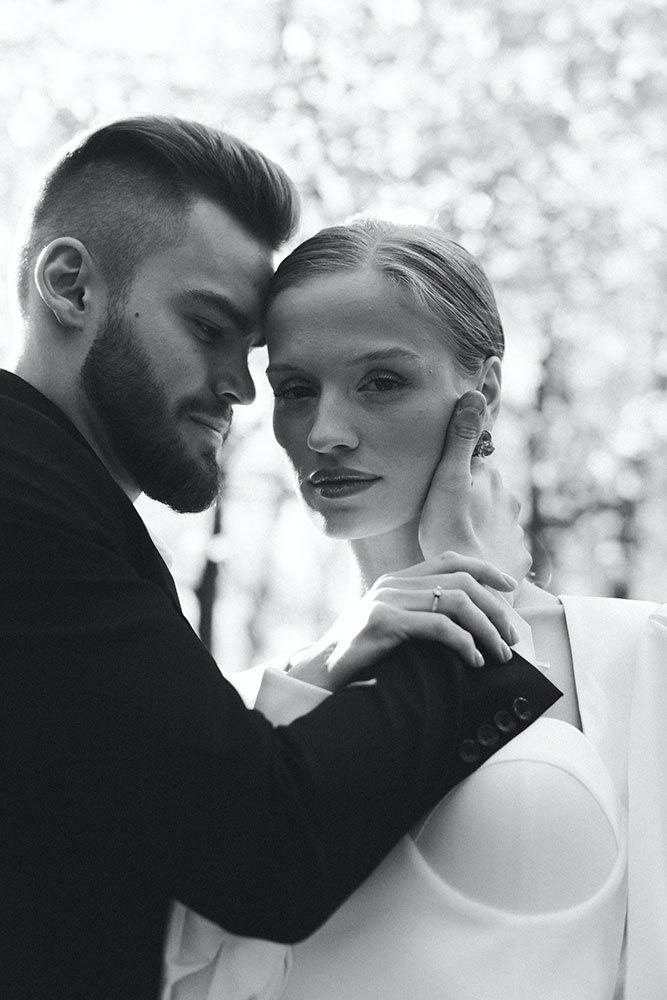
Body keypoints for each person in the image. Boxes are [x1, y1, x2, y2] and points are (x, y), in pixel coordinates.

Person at [0, 118, 560, 1000]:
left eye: (381, 380)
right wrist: (469, 593)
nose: (241, 386)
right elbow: (261, 849)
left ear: (479, 395)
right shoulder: (22, 502)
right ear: (70, 286)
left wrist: (333, 661)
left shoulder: (66, 511)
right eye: (207, 326)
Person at [164, 218, 665, 1000]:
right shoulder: (247, 704)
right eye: (296, 390)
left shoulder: (640, 656)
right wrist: (318, 674)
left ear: (483, 393)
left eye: (381, 381)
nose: (325, 433)